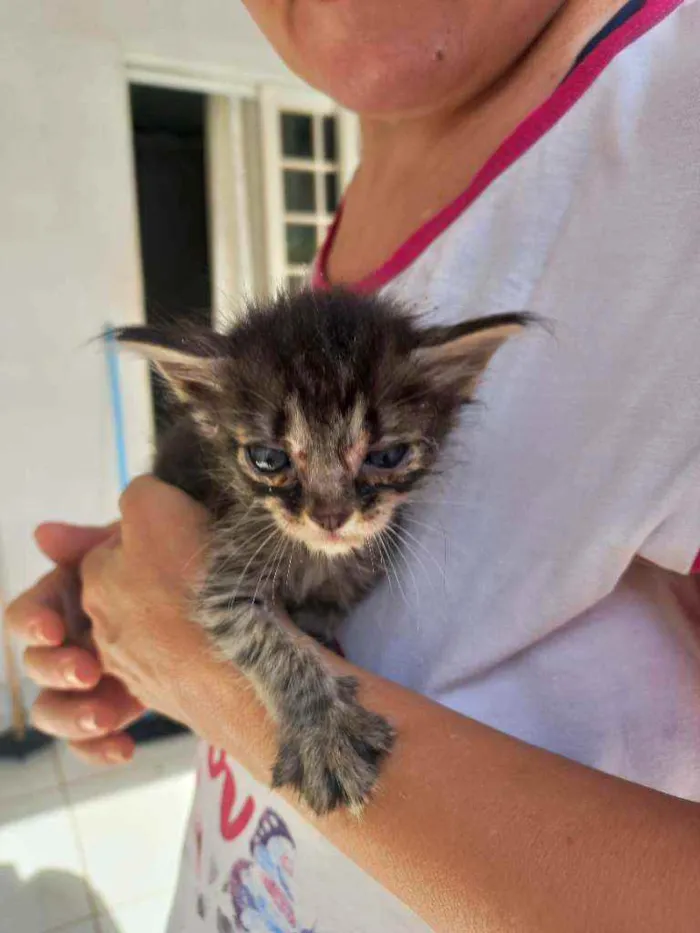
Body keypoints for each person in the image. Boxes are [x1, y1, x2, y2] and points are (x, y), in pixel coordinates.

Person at [7, 0, 700, 929]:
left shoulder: (671, 135)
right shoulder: (365, 209)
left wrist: (199, 666)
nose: (333, 512)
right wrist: (136, 593)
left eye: (383, 461)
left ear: (462, 388)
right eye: (273, 463)